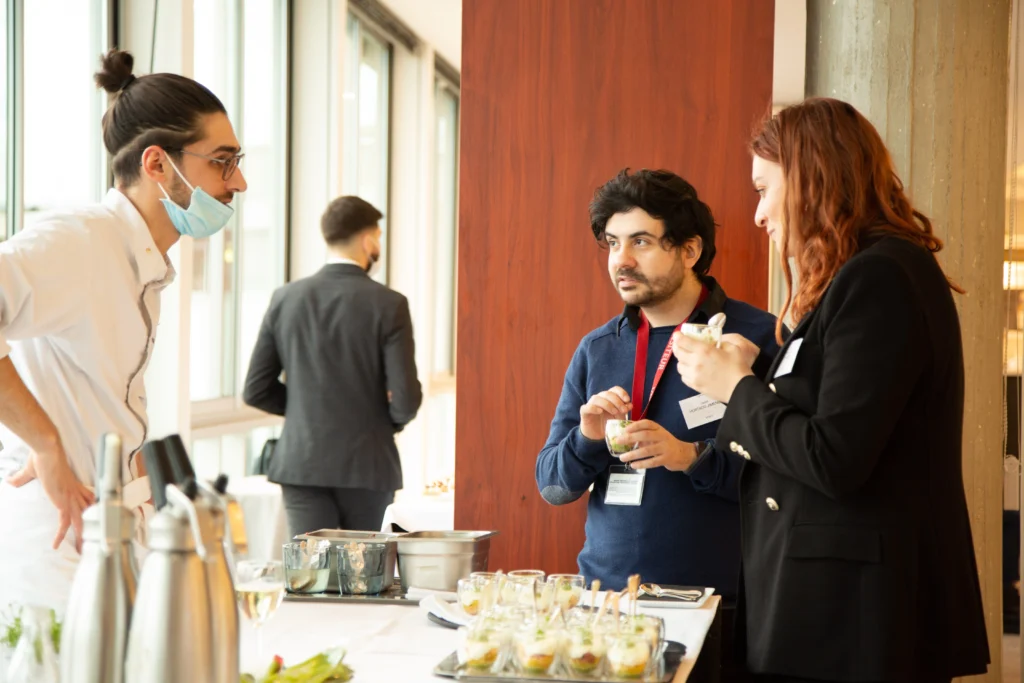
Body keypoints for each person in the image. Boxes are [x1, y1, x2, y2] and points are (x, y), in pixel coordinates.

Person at [672, 97, 990, 683]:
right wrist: (757, 370)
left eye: (765, 189)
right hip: (835, 613)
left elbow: (834, 457)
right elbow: (831, 409)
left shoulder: (880, 276)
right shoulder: (862, 275)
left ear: (813, 176)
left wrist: (737, 389)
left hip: (858, 621)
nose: (759, 214)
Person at [0, 49, 246, 612]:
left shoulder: (142, 263)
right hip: (55, 544)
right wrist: (44, 443)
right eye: (223, 162)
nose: (240, 181)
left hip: (108, 540)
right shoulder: (80, 241)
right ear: (158, 164)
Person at [536, 168, 780, 599]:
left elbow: (786, 481)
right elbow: (553, 488)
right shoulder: (597, 349)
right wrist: (588, 438)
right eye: (613, 243)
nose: (621, 259)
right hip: (607, 601)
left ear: (689, 250)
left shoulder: (758, 338)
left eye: (640, 241)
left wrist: (691, 457)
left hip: (722, 602)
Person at [243, 196, 422, 537]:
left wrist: (305, 411)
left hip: (302, 462)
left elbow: (256, 389)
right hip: (368, 463)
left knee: (310, 577)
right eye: (378, 237)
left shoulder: (286, 298)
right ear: (368, 239)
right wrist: (380, 421)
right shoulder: (389, 304)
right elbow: (406, 400)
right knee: (365, 578)